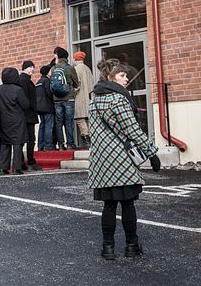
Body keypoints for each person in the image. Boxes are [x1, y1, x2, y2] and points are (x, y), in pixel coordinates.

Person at [88, 58, 160, 260]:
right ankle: (131, 245)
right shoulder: (119, 100)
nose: (126, 79)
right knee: (128, 204)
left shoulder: (94, 101)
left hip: (102, 160)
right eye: (122, 75)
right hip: (121, 160)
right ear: (111, 78)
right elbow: (133, 131)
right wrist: (151, 153)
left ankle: (108, 248)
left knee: (109, 206)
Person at [0, 68, 29, 175]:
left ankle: (3, 167)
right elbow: (25, 105)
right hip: (17, 119)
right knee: (17, 143)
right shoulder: (18, 89)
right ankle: (16, 167)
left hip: (4, 119)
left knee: (5, 143)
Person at [51, 47, 80, 150]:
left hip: (57, 99)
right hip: (68, 98)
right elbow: (76, 83)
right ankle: (70, 144)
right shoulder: (70, 67)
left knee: (58, 122)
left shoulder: (53, 68)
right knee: (69, 121)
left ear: (58, 56)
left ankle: (60, 145)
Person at [18, 61, 42, 171]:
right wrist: (32, 108)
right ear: (27, 68)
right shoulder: (24, 80)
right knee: (30, 139)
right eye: (32, 67)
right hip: (28, 114)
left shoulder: (23, 79)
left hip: (26, 114)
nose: (33, 69)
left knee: (26, 138)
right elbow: (26, 98)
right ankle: (30, 161)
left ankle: (23, 161)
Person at [73, 51, 94, 149]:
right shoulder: (88, 69)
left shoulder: (76, 69)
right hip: (88, 97)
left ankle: (86, 141)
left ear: (75, 59)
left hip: (79, 98)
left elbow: (76, 85)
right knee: (87, 119)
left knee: (80, 119)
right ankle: (92, 140)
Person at [35, 65, 56, 151]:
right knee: (48, 126)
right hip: (47, 107)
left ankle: (40, 145)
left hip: (39, 107)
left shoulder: (38, 81)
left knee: (42, 125)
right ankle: (48, 145)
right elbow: (50, 93)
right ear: (47, 72)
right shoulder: (47, 81)